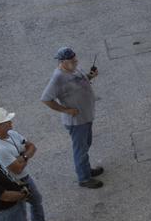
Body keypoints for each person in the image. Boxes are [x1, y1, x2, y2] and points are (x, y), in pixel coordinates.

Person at [0, 107, 61, 221]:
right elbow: (18, 169)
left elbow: (32, 146)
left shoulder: (12, 134)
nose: (11, 124)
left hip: (23, 177)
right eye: (7, 122)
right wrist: (25, 156)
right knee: (21, 212)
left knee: (36, 199)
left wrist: (23, 157)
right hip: (16, 183)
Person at [40, 47, 104, 188]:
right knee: (80, 150)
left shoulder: (73, 68)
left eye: (75, 58)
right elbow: (46, 99)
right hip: (77, 122)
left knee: (86, 145)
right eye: (72, 60)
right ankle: (84, 178)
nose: (76, 61)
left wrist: (90, 76)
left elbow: (81, 80)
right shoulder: (58, 77)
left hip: (86, 116)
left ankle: (86, 170)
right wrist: (66, 110)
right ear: (62, 62)